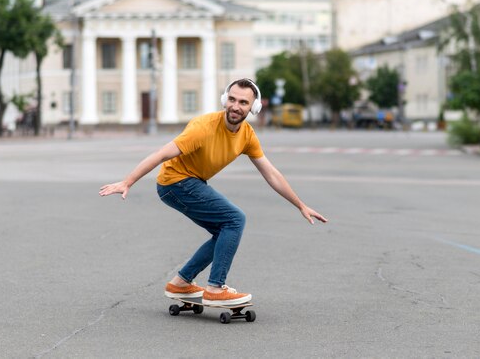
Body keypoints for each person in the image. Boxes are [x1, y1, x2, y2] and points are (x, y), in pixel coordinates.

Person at [99, 78, 328, 306]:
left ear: (254, 108)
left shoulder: (247, 135)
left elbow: (271, 174)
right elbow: (161, 154)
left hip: (190, 182)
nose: (236, 106)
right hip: (176, 182)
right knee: (234, 219)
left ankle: (181, 282)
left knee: (225, 230)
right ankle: (216, 288)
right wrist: (127, 182)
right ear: (224, 100)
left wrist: (300, 205)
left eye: (243, 102)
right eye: (232, 99)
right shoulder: (203, 127)